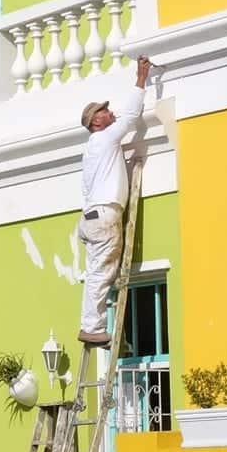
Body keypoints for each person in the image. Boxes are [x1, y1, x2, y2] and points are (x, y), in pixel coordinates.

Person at [76, 55, 153, 347]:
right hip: (105, 216)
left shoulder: (93, 149)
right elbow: (132, 116)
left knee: (97, 270)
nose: (111, 113)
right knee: (103, 271)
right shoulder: (105, 138)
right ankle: (92, 327)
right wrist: (141, 78)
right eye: (106, 111)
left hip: (92, 217)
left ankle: (92, 326)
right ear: (97, 121)